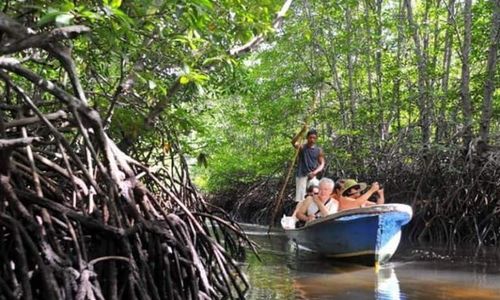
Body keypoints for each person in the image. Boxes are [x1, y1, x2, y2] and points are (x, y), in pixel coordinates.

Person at [291, 125, 325, 203]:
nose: (312, 139)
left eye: (314, 138)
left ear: (316, 139)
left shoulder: (318, 150)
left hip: (312, 176)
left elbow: (322, 163)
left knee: (317, 193)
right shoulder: (302, 147)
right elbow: (293, 142)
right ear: (307, 138)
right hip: (301, 175)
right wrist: (302, 131)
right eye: (310, 137)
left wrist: (315, 172)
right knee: (301, 199)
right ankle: (299, 213)